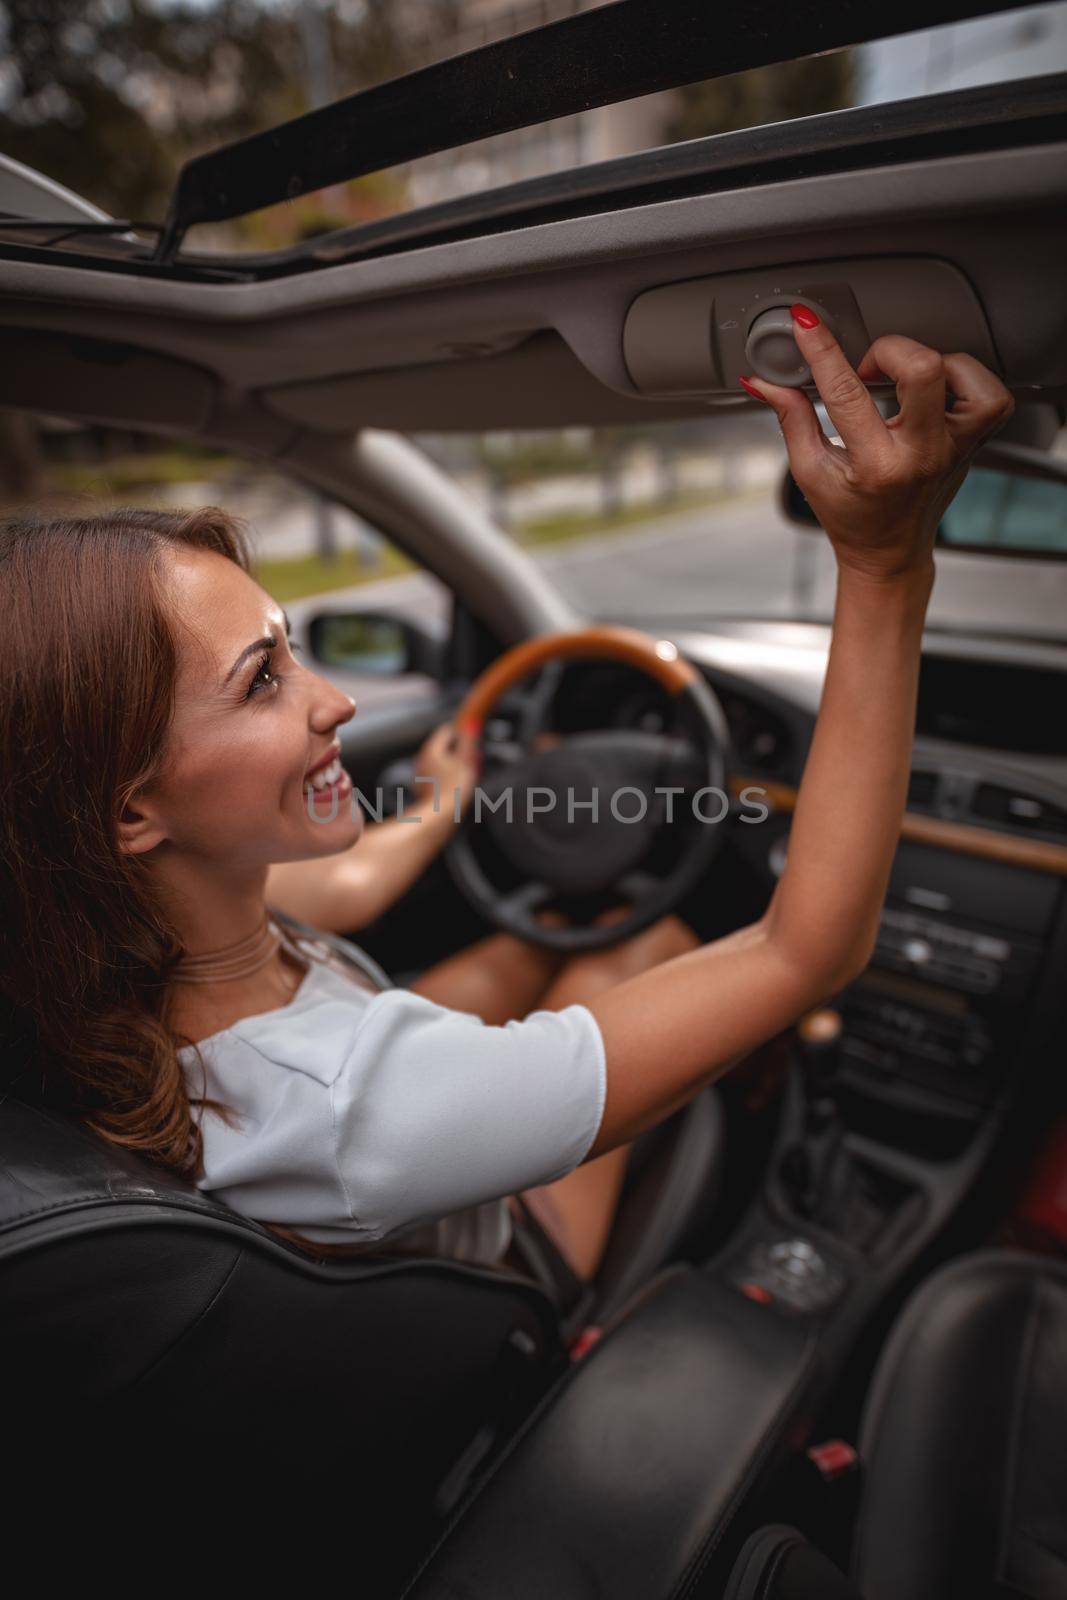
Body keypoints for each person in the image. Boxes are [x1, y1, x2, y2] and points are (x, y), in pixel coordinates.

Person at [0, 313, 1012, 1288]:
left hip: (380, 1137)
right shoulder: (358, 1106)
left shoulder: (116, 951)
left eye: (297, 650)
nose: (339, 701)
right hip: (512, 1259)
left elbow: (346, 890)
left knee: (537, 938)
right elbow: (803, 949)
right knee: (633, 947)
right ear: (130, 813)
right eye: (262, 680)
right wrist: (882, 562)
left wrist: (443, 797)